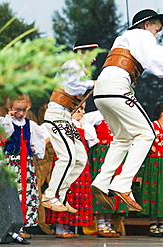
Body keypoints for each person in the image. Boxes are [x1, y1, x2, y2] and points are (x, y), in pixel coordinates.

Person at [91, 9, 163, 212]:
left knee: (122, 138)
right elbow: (155, 61)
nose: (156, 34)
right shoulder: (142, 35)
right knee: (147, 133)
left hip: (100, 92)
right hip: (117, 89)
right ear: (147, 24)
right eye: (156, 29)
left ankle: (102, 180)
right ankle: (122, 184)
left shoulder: (122, 38)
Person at [42, 37, 99, 213]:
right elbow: (75, 86)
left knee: (80, 158)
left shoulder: (80, 69)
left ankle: (61, 195)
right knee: (67, 156)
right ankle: (50, 195)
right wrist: (94, 84)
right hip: (56, 115)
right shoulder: (72, 64)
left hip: (66, 116)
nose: (94, 59)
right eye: (93, 54)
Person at [0, 95, 46, 239]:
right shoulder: (5, 122)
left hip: (26, 164)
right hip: (11, 163)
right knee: (12, 194)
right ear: (10, 108)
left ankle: (21, 227)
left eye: (23, 110)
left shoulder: (30, 124)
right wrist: (8, 119)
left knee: (26, 193)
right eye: (17, 110)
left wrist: (35, 149)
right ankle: (8, 225)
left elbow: (39, 143)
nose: (20, 114)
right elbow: (4, 136)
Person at [45, 104, 94, 238]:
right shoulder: (63, 124)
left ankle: (68, 226)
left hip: (80, 166)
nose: (82, 112)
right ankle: (60, 227)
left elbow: (93, 140)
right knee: (65, 191)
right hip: (67, 163)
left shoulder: (82, 125)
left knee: (76, 195)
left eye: (83, 109)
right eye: (79, 109)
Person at [85, 109, 129, 238]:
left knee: (113, 188)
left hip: (116, 152)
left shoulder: (120, 114)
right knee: (101, 187)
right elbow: (83, 123)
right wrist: (94, 140)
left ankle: (108, 225)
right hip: (102, 153)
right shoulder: (97, 115)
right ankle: (100, 225)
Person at [137, 103, 163, 237]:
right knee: (154, 191)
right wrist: (149, 147)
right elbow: (141, 138)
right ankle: (153, 224)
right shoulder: (152, 126)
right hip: (155, 162)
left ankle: (162, 224)